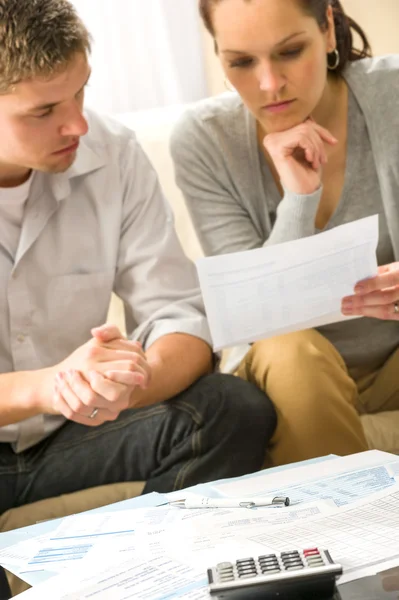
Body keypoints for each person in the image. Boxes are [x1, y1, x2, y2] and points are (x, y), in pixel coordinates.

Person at [0, 0, 278, 517]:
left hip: (77, 434)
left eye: (80, 91)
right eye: (44, 111)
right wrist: (52, 386)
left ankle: (150, 576)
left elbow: (180, 315)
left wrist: (130, 379)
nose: (78, 125)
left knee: (230, 408)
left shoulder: (115, 155)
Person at [171, 0, 399, 466]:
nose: (270, 85)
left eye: (291, 51)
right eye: (240, 62)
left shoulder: (392, 94)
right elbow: (254, 317)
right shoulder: (203, 140)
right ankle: (349, 532)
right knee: (289, 349)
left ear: (328, 29)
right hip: (288, 376)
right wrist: (298, 197)